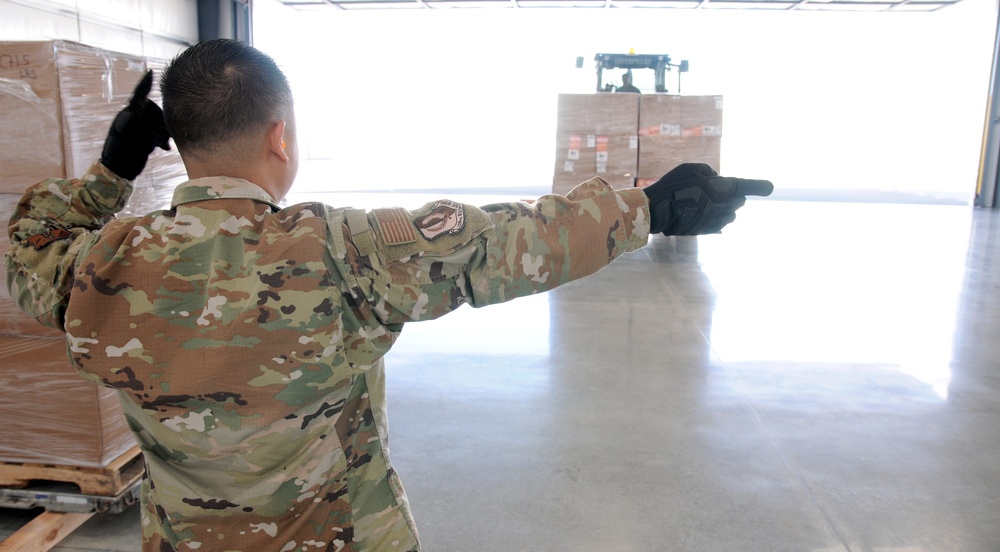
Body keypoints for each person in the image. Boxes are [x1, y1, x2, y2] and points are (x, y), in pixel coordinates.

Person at [5, 39, 772, 552]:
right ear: (281, 137)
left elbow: (26, 246)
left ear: (172, 141)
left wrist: (113, 171)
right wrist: (650, 207)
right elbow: (507, 241)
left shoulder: (98, 267)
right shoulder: (339, 253)